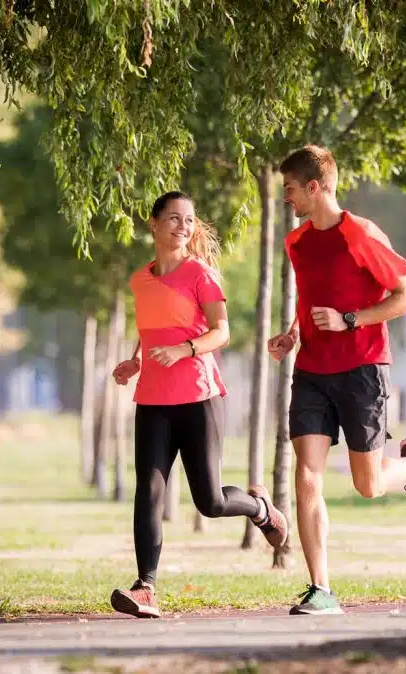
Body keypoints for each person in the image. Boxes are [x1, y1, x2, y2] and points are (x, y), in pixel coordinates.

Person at [267, 145, 406, 617]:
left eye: (292, 190)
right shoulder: (297, 242)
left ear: (316, 187)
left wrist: (349, 319)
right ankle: (320, 589)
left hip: (363, 369)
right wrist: (293, 334)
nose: (288, 199)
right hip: (312, 372)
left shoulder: (360, 234)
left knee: (368, 485)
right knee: (306, 475)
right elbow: (310, 298)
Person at [109, 191, 289, 619]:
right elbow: (153, 327)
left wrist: (185, 350)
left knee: (209, 500)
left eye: (188, 220)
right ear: (153, 224)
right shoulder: (140, 279)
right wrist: (135, 359)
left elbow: (221, 332)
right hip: (152, 398)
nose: (182, 227)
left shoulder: (200, 273)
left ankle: (261, 509)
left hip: (197, 396)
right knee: (148, 490)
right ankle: (146, 587)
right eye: (173, 218)